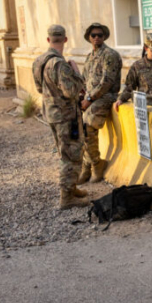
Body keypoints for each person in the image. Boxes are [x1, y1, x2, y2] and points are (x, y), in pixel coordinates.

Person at [32, 25, 89, 210]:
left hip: (51, 113)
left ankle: (71, 188)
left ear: (48, 40)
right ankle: (67, 198)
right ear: (65, 39)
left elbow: (40, 88)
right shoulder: (59, 64)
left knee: (63, 151)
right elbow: (72, 91)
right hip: (66, 116)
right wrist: (76, 73)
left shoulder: (39, 61)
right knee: (70, 155)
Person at [78, 23, 122, 185]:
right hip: (90, 98)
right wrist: (82, 95)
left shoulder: (110, 55)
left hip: (105, 97)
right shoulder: (90, 57)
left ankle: (97, 164)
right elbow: (84, 80)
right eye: (94, 35)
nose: (97, 38)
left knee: (87, 126)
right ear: (89, 38)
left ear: (104, 37)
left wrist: (89, 99)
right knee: (79, 127)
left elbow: (107, 82)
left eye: (100, 35)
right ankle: (86, 166)